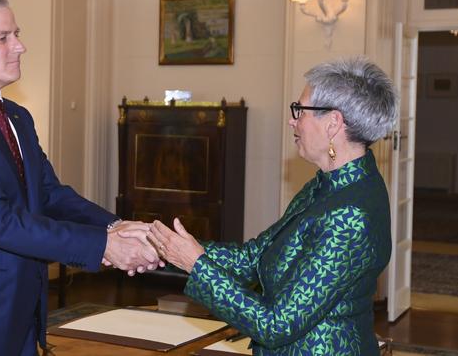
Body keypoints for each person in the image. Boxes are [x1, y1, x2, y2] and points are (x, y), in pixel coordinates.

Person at [0, 0, 160, 355]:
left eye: (17, 34)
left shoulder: (16, 116)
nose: (20, 46)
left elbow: (49, 194)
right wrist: (105, 247)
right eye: (3, 38)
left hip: (22, 308)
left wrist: (113, 226)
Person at [147, 57, 397, 355]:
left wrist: (196, 265)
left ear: (333, 123)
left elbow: (276, 324)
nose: (293, 120)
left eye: (300, 110)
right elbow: (255, 257)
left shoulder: (350, 213)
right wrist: (170, 246)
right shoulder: (328, 185)